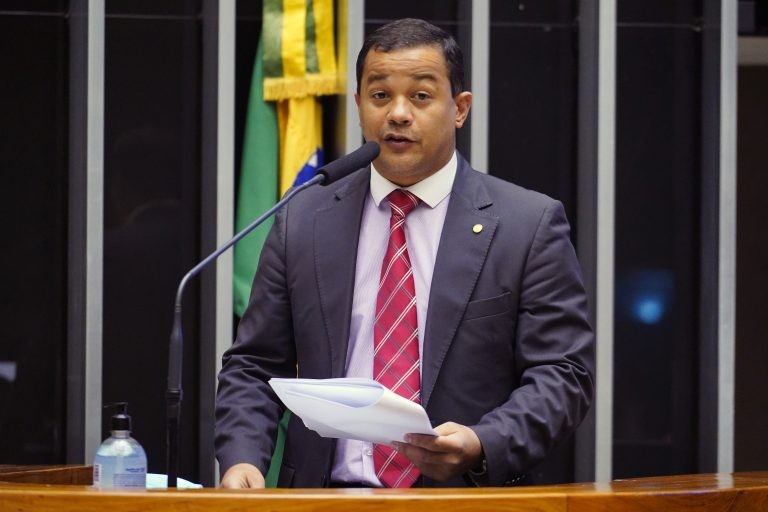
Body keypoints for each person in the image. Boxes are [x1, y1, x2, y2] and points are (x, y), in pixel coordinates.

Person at [215, 18, 594, 488]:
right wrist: (242, 459)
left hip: (464, 500)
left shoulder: (526, 224)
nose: (397, 113)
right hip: (323, 498)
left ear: (459, 108)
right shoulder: (305, 219)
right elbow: (255, 365)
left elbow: (563, 375)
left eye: (420, 96)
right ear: (358, 106)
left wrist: (482, 441)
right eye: (379, 96)